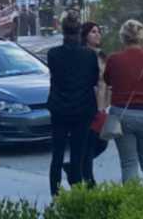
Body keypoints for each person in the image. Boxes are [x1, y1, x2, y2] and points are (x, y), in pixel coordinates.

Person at [46, 14, 99, 197]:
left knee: (57, 154)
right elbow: (93, 81)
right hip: (82, 108)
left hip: (59, 108)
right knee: (78, 153)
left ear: (62, 30)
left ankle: (55, 193)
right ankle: (77, 195)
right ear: (79, 32)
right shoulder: (89, 55)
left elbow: (55, 76)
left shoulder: (53, 54)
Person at [104, 19, 143, 183]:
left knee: (129, 163)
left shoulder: (114, 59)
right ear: (142, 36)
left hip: (122, 115)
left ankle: (133, 203)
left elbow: (108, 80)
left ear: (123, 37)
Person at [62, 21, 110, 186]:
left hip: (102, 105)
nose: (97, 35)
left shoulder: (102, 55)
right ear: (85, 36)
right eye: (93, 32)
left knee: (102, 143)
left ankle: (74, 167)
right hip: (87, 104)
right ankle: (89, 181)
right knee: (89, 144)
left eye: (98, 32)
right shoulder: (82, 55)